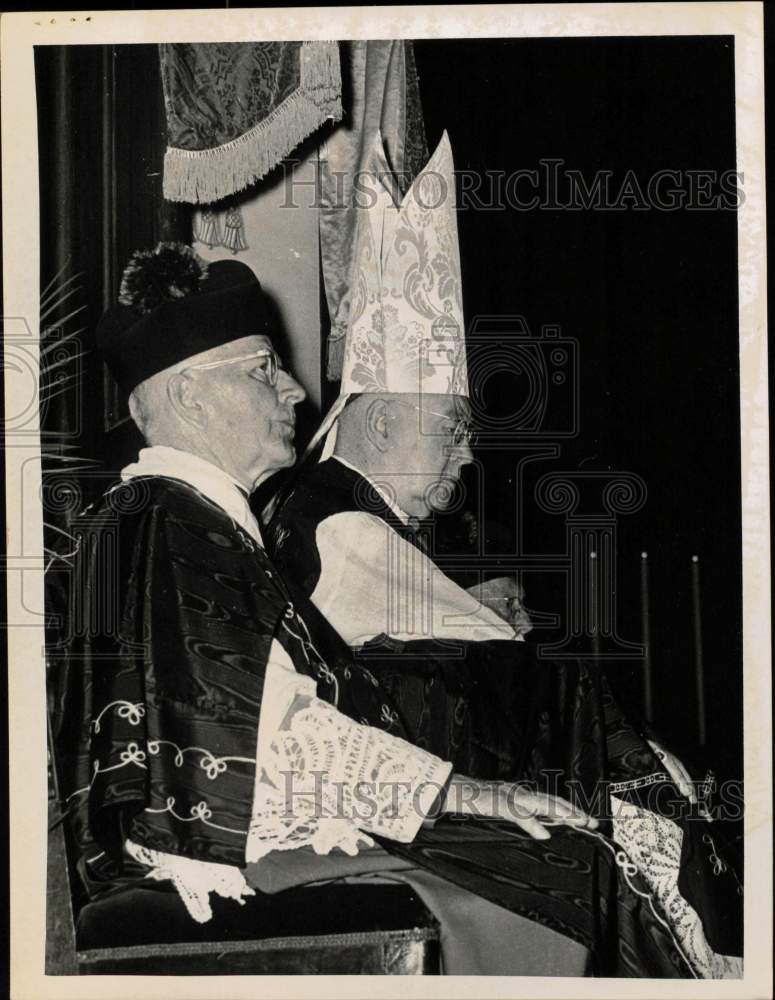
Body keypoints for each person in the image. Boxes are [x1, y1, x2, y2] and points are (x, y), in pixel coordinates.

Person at [49, 242, 609, 976]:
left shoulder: (178, 520)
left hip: (240, 825)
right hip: (214, 846)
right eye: (261, 369)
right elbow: (270, 735)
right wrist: (461, 791)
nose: (293, 391)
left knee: (553, 852)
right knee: (553, 871)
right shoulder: (169, 522)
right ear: (187, 396)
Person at [268, 133, 743, 978]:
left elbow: (405, 633)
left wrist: (466, 605)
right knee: (653, 836)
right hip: (397, 808)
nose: (467, 457)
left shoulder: (339, 508)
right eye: (452, 431)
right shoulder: (335, 517)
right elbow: (486, 682)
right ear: (379, 423)